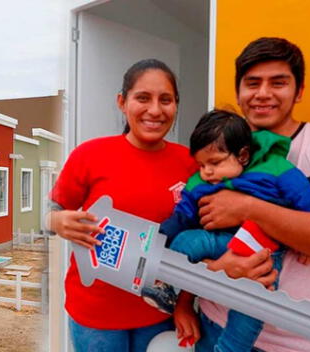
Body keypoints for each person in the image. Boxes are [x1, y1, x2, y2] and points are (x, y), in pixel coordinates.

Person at [195, 37, 310, 352]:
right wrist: (216, 269)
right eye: (253, 83)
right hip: (215, 322)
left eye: (278, 82)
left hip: (295, 342)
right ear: (239, 92)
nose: (263, 93)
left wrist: (248, 208)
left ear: (300, 90)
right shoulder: (221, 149)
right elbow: (194, 231)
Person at [48, 58, 198, 352]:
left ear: (176, 105)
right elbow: (50, 211)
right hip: (94, 314)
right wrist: (56, 221)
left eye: (165, 100)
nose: (155, 110)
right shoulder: (90, 155)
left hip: (160, 312)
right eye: (143, 98)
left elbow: (195, 244)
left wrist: (185, 303)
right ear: (122, 101)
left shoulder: (191, 164)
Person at [140, 109, 310, 351]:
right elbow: (182, 216)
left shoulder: (274, 168)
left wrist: (306, 242)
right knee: (186, 240)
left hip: (261, 253)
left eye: (215, 163)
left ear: (243, 155)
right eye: (202, 164)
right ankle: (165, 286)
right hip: (220, 241)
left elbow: (303, 197)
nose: (207, 172)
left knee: (251, 308)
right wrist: (158, 238)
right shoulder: (201, 182)